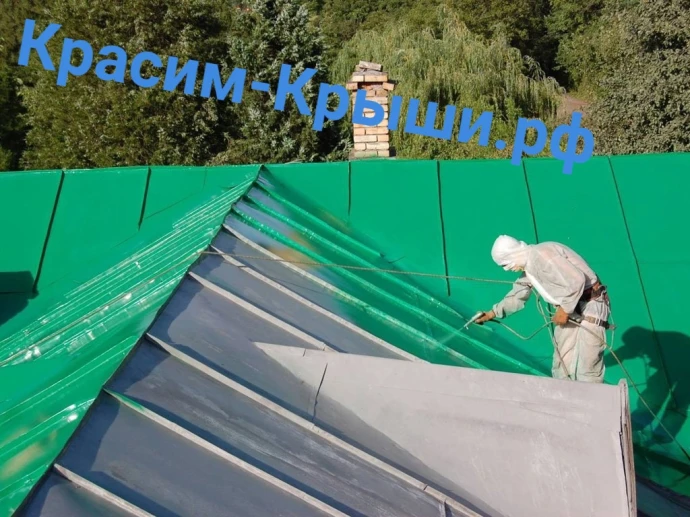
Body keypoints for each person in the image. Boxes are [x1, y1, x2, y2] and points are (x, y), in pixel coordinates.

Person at [475, 235, 612, 383]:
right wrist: (492, 313)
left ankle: (593, 396)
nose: (508, 269)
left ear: (513, 254)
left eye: (506, 264)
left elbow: (576, 280)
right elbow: (517, 295)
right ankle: (563, 395)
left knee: (588, 362)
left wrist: (564, 310)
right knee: (562, 363)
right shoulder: (529, 266)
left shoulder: (542, 254)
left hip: (590, 303)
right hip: (570, 307)